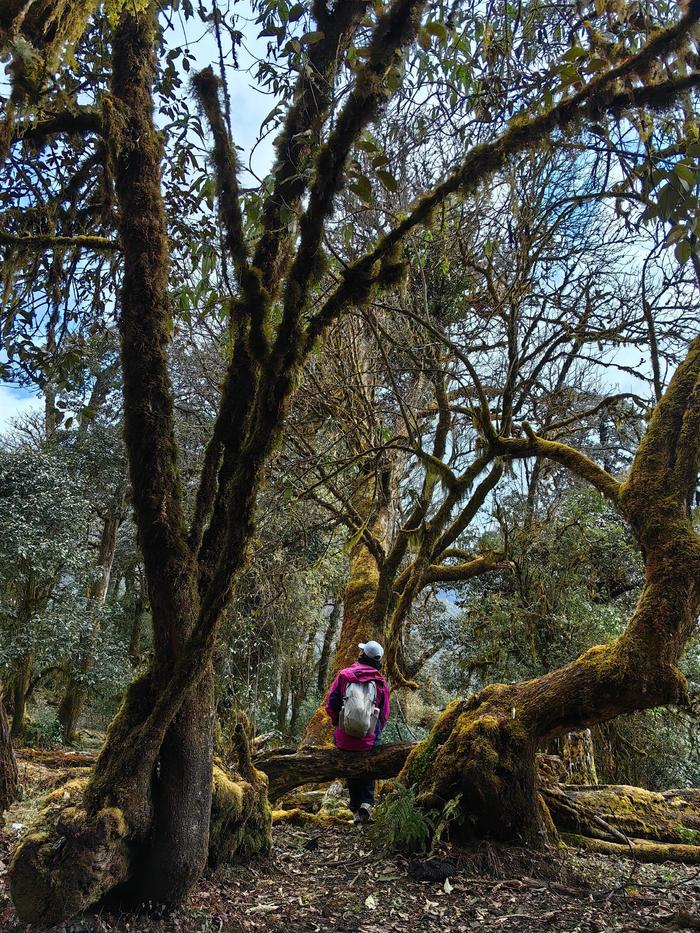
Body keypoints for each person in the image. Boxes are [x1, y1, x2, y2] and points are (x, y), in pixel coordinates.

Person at [324, 640, 390, 823]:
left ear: (362, 655)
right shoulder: (380, 682)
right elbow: (384, 714)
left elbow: (331, 704)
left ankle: (354, 807)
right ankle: (366, 803)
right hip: (368, 739)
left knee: (351, 767)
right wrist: (373, 729)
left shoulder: (344, 675)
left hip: (345, 739)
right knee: (370, 763)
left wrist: (339, 722)